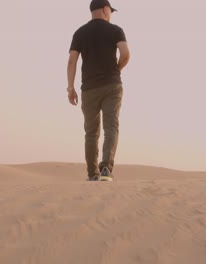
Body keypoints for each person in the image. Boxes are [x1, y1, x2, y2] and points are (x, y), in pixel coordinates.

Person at [66, 0, 130, 181]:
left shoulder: (79, 33)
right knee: (111, 126)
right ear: (105, 9)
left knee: (91, 132)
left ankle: (92, 174)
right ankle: (106, 169)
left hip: (88, 89)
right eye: (110, 11)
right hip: (112, 86)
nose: (111, 15)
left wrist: (70, 88)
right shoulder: (115, 30)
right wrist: (117, 69)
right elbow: (125, 54)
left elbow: (72, 61)